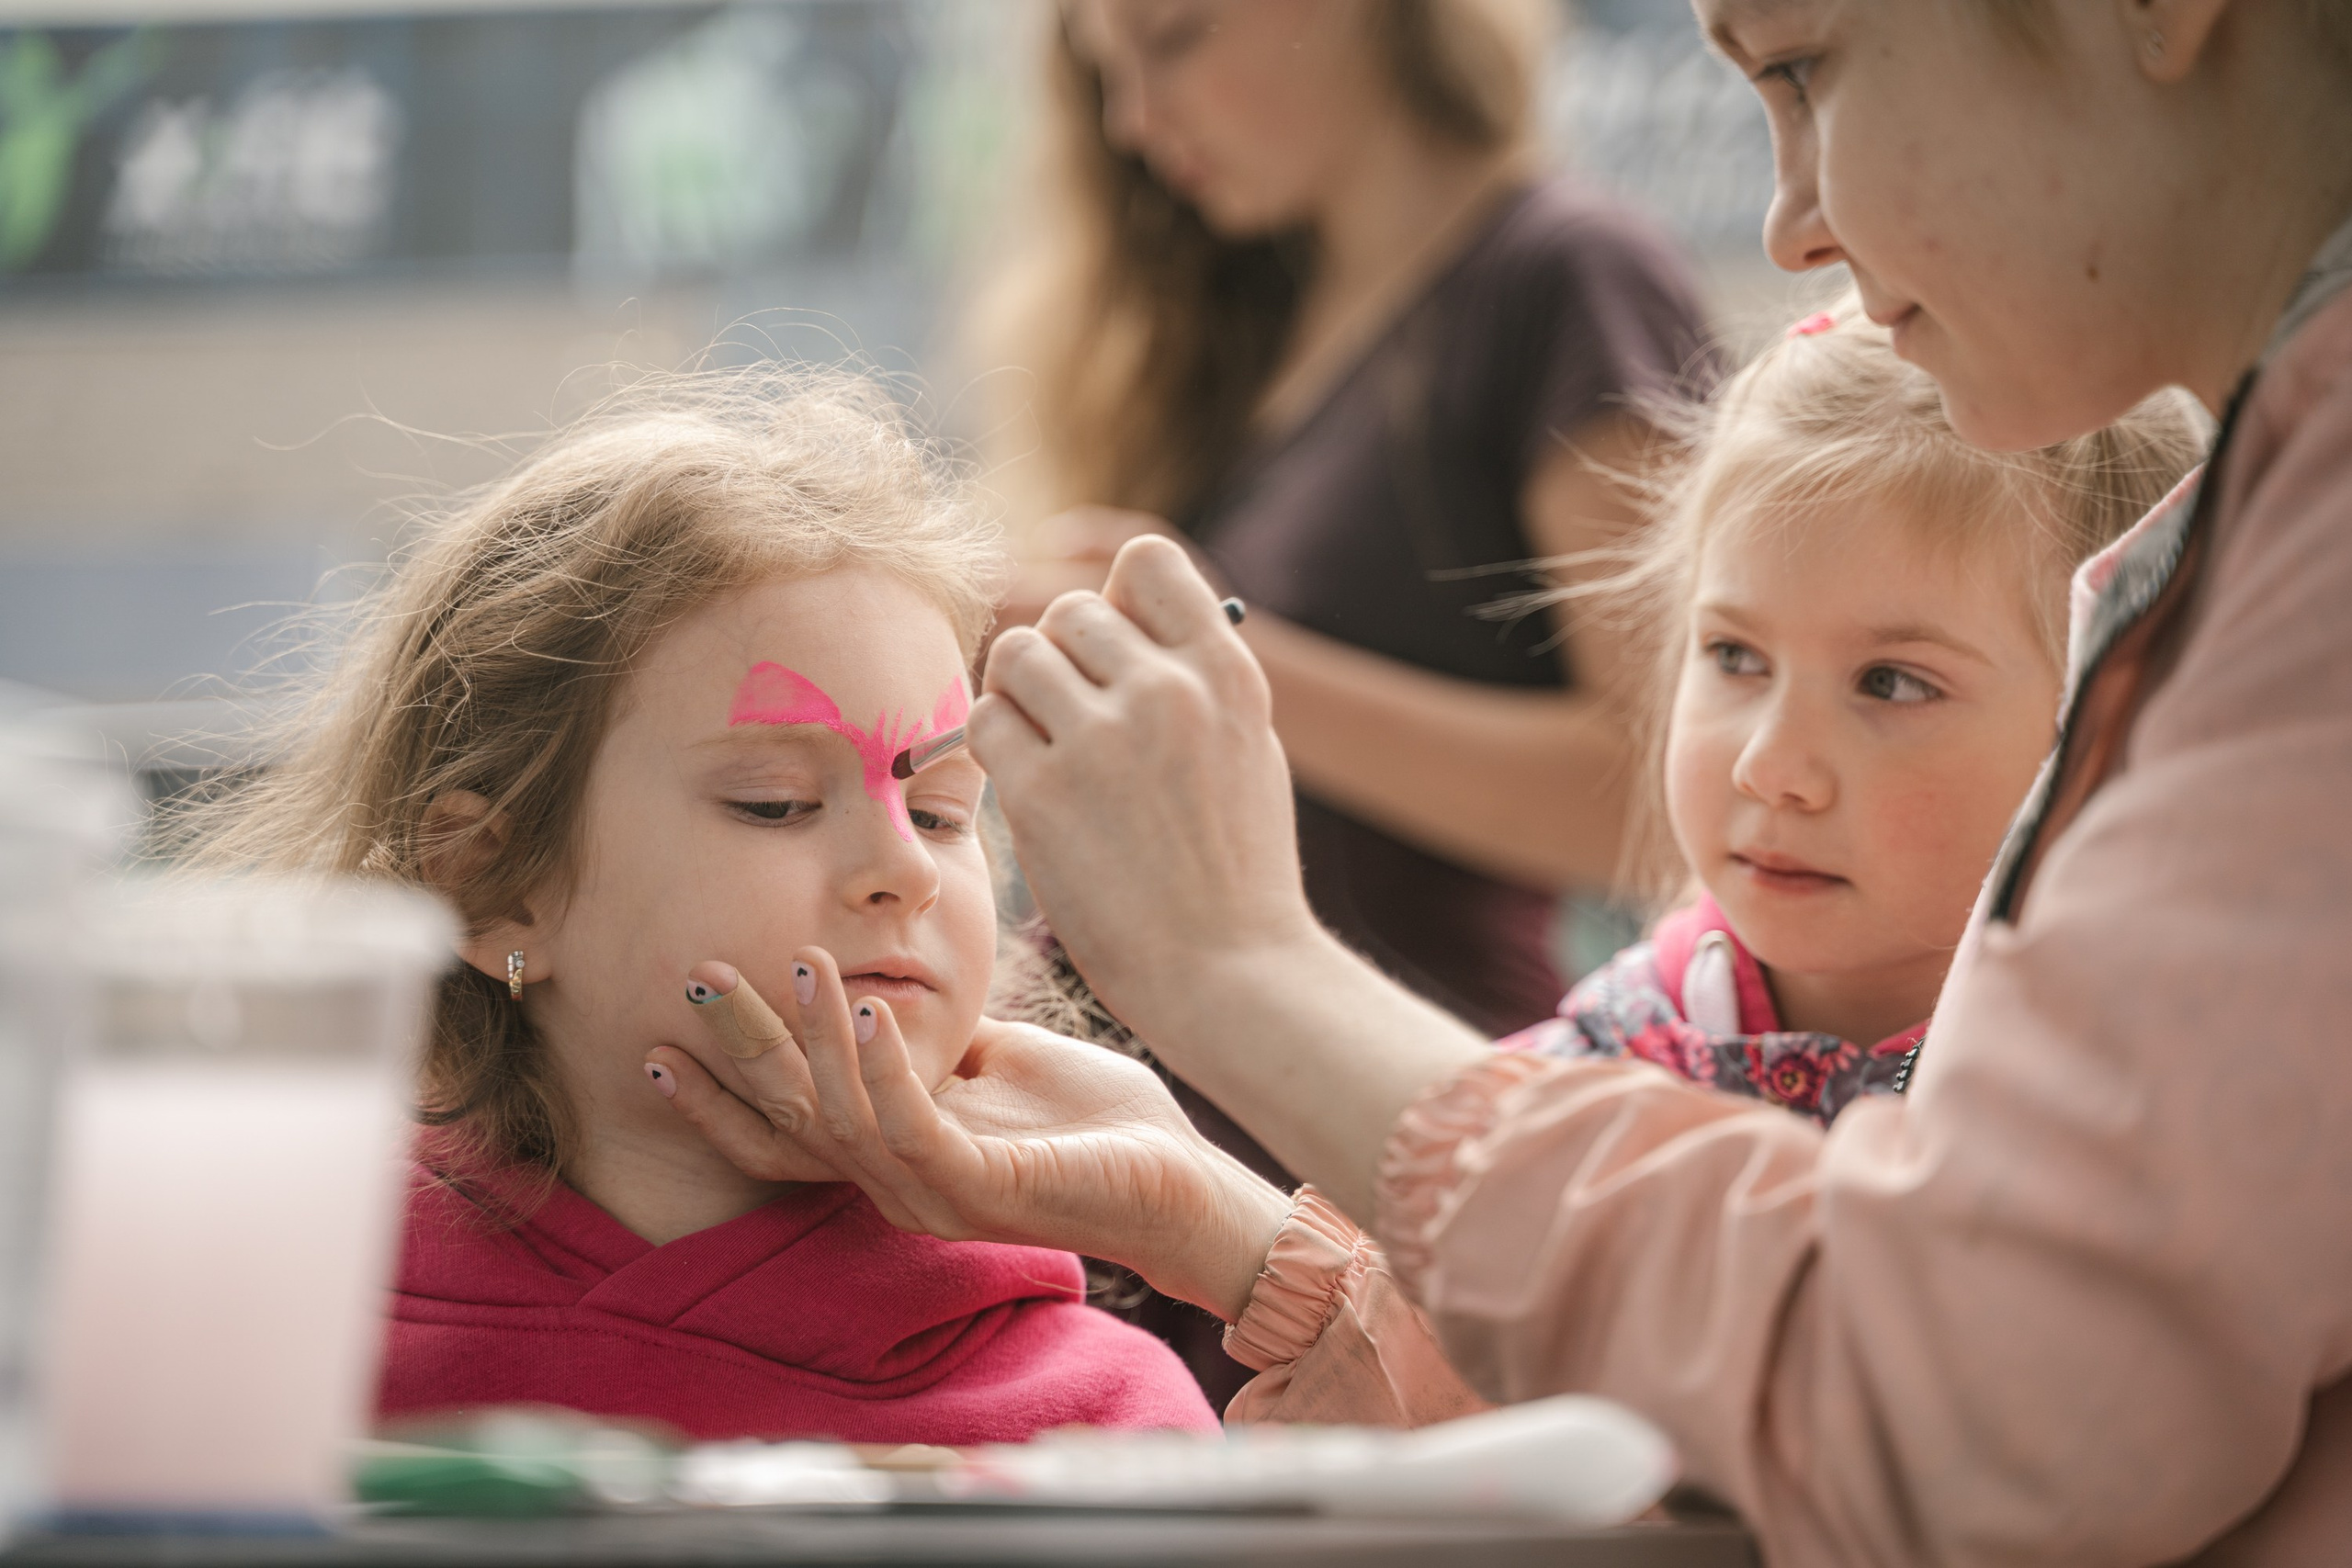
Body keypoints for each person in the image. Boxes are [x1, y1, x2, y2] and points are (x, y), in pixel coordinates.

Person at [660, 0, 2352, 1559]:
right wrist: (1214, 1204)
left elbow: (1997, 1417)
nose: (1792, 223)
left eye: (1805, 67)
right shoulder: (1648, 1023)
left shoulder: (1549, 284)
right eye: (1731, 659)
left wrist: (1238, 953)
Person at [179, 369, 1217, 1444]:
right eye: (775, 803)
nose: (903, 870)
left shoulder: (1105, 1422)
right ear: (495, 887)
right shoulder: (245, 1332)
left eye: (941, 813)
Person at [983, 0, 1712, 1406]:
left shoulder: (1561, 279)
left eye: (1171, 40)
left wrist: (1222, 663)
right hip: (1182, 1177)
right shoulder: (1247, 334)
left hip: (1370, 1153)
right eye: (1106, 77)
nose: (1135, 119)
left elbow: (1664, 789)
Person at [1515, 299, 2202, 1124]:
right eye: (1735, 656)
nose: (1769, 768)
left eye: (1890, 683)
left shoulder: (2167, 1110)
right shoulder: (1575, 1088)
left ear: (2111, 726)